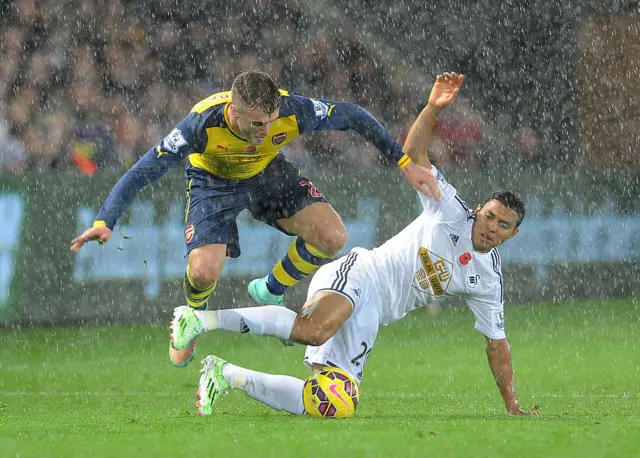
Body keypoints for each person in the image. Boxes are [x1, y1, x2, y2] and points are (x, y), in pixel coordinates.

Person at [170, 72, 540, 417]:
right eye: (489, 216)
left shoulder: (487, 279)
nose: (491, 227)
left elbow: (498, 344)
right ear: (479, 210)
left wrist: (512, 405)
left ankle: (225, 374)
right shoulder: (450, 209)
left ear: (513, 234)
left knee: (332, 402)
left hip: (374, 314)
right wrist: (433, 109)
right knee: (314, 330)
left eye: (502, 224)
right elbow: (416, 151)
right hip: (361, 272)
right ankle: (199, 319)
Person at [69, 70, 439, 367]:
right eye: (257, 124)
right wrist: (106, 219)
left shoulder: (293, 110)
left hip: (268, 176)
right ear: (233, 110)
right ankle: (192, 318)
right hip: (213, 184)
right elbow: (144, 170)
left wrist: (403, 161)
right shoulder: (199, 125)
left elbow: (354, 116)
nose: (266, 131)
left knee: (333, 236)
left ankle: (270, 289)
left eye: (271, 122)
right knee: (202, 274)